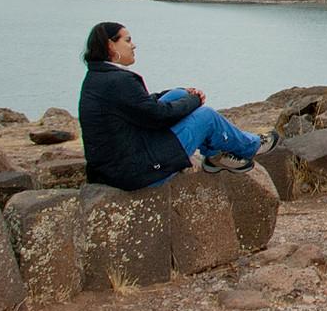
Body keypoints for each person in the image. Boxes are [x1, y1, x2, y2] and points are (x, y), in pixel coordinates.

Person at [78, 21, 277, 190]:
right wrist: (195, 100)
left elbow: (136, 105)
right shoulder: (118, 81)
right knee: (206, 116)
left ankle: (215, 155)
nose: (133, 45)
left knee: (179, 94)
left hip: (119, 162)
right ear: (111, 46)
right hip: (133, 172)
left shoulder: (99, 75)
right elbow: (158, 117)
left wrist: (178, 95)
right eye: (127, 40)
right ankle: (250, 146)